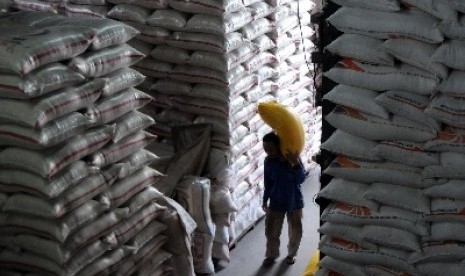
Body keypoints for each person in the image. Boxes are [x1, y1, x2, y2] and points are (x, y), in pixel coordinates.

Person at [261, 132, 307, 266]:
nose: (268, 152)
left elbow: (301, 179)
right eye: (265, 149)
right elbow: (268, 182)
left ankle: (291, 255)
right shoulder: (268, 161)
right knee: (271, 230)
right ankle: (271, 255)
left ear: (278, 146)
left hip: (294, 200)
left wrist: (296, 164)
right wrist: (265, 200)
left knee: (295, 230)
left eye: (270, 149)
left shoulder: (292, 157)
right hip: (276, 201)